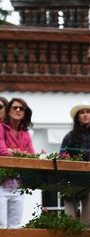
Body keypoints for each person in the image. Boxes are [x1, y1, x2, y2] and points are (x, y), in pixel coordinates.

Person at [60, 102, 90, 227]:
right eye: (82, 112)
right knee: (70, 220)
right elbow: (61, 157)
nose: (85, 115)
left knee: (86, 222)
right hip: (70, 181)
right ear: (77, 117)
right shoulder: (69, 136)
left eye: (88, 112)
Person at [0, 98, 34, 229]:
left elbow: (32, 155)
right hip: (1, 183)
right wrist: (22, 152)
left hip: (18, 184)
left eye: (21, 108)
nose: (18, 110)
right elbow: (2, 151)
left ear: (25, 113)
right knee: (1, 226)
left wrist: (12, 151)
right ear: (8, 111)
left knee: (15, 226)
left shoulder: (25, 133)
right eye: (15, 107)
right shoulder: (0, 128)